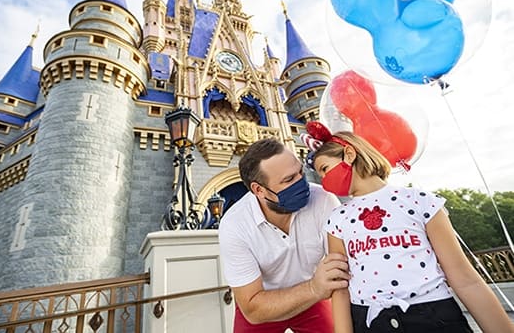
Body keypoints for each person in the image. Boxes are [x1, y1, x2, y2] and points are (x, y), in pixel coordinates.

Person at [309, 129, 514, 333]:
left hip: (435, 316)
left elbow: (464, 278)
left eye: (325, 169)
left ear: (350, 154)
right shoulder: (337, 220)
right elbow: (341, 288)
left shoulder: (421, 201)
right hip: (370, 320)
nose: (325, 181)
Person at [218, 138, 351, 332]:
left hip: (313, 299)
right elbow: (252, 308)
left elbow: (343, 269)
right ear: (259, 190)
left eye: (300, 172)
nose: (301, 183)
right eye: (289, 180)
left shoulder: (324, 200)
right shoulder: (234, 225)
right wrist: (314, 288)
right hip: (264, 302)